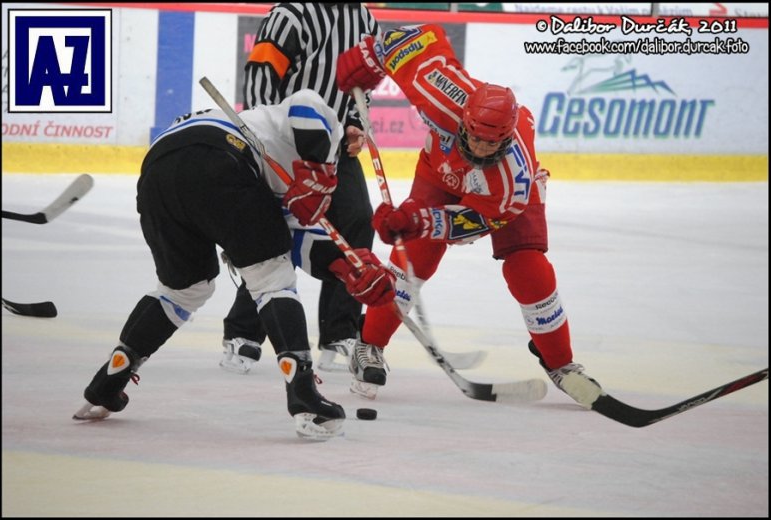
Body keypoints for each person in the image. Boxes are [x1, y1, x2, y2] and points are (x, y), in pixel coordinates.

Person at [71, 89, 396, 439]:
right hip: (222, 157)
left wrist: (345, 269)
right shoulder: (326, 130)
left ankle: (110, 379)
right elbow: (306, 106)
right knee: (273, 281)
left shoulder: (287, 176)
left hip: (159, 171)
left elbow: (296, 239)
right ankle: (304, 394)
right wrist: (316, 168)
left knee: (183, 290)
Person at [335, 23, 602, 401]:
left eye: (490, 142)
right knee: (416, 254)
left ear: (505, 138)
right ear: (465, 121)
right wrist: (371, 55)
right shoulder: (439, 92)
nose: (479, 148)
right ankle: (369, 344)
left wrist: (419, 220)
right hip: (440, 169)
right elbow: (419, 37)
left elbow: (470, 224)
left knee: (528, 267)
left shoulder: (513, 181)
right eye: (474, 136)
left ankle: (561, 364)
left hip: (497, 198)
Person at [221, 2, 382, 374]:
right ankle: (244, 331)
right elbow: (261, 74)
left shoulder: (365, 19)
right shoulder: (290, 15)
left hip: (335, 145)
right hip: (285, 143)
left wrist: (356, 123)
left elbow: (362, 86)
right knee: (281, 231)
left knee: (358, 220)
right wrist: (263, 138)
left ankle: (339, 332)